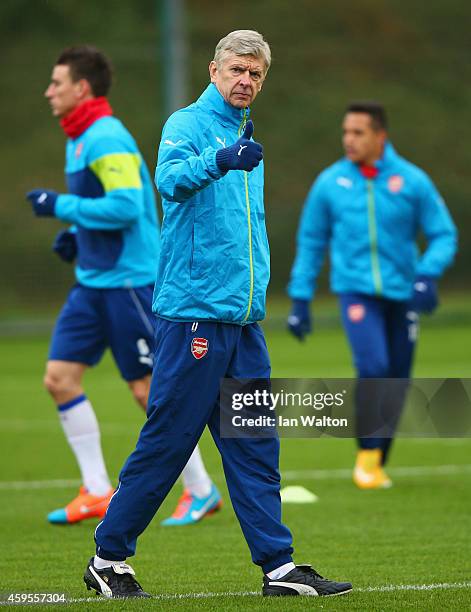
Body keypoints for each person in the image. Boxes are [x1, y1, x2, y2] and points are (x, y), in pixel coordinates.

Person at [82, 30, 352, 599]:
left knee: (256, 445)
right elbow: (169, 181)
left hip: (243, 322)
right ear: (214, 70)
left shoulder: (246, 134)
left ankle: (279, 568)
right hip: (195, 317)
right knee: (170, 438)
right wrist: (220, 160)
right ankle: (108, 559)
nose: (246, 81)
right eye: (237, 70)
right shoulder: (188, 125)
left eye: (255, 74)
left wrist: (234, 154)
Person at [26, 45, 221, 526]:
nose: (49, 91)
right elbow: (102, 209)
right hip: (93, 282)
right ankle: (95, 490)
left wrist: (60, 207)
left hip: (130, 283)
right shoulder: (78, 136)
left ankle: (201, 490)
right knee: (59, 378)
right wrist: (76, 237)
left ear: (82, 88)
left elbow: (126, 207)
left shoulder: (105, 136)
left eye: (57, 82)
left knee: (148, 390)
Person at [287, 101, 457, 489]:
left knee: (396, 379)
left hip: (403, 295)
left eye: (358, 132)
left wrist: (427, 276)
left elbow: (444, 234)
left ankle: (377, 460)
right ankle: (366, 457)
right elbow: (311, 242)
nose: (349, 139)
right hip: (356, 293)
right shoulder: (330, 183)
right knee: (374, 367)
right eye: (345, 131)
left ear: (380, 136)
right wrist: (300, 298)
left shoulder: (412, 181)